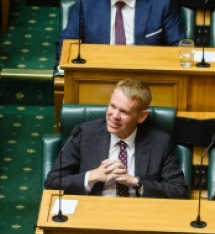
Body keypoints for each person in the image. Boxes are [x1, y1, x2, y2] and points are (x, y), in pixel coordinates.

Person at [44, 78, 188, 198]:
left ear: (141, 116)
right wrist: (92, 176)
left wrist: (137, 183)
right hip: (92, 214)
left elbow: (179, 191)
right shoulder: (83, 133)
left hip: (140, 216)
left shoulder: (160, 142)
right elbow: (52, 182)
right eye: (112, 106)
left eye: (124, 112)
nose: (114, 116)